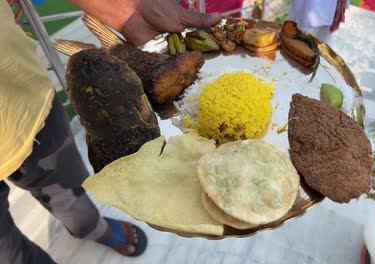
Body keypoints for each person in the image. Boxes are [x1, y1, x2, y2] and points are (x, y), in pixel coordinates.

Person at [0, 0, 221, 263]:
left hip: (27, 100)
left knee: (70, 187)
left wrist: (126, 10)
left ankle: (92, 228)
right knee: (9, 252)